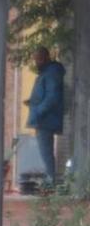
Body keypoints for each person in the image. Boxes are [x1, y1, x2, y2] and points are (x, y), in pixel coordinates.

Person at [24, 47, 65, 189]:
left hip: (46, 119)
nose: (36, 62)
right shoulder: (47, 72)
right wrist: (32, 101)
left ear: (47, 57)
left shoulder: (51, 72)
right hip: (44, 117)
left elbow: (52, 96)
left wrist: (39, 111)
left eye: (39, 59)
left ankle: (50, 181)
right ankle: (50, 179)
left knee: (45, 151)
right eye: (35, 59)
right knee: (45, 151)